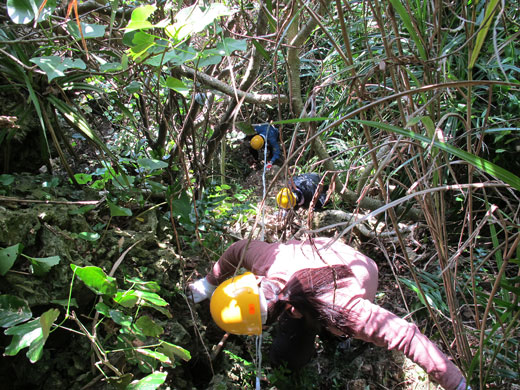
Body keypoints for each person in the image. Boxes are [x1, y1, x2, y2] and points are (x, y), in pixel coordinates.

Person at [188, 238, 470, 390]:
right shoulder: (268, 259)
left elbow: (407, 337)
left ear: (292, 312)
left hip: (360, 273)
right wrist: (209, 283)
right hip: (327, 253)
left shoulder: (349, 310)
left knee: (329, 332)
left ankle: (338, 338)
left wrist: (456, 384)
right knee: (288, 350)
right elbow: (239, 248)